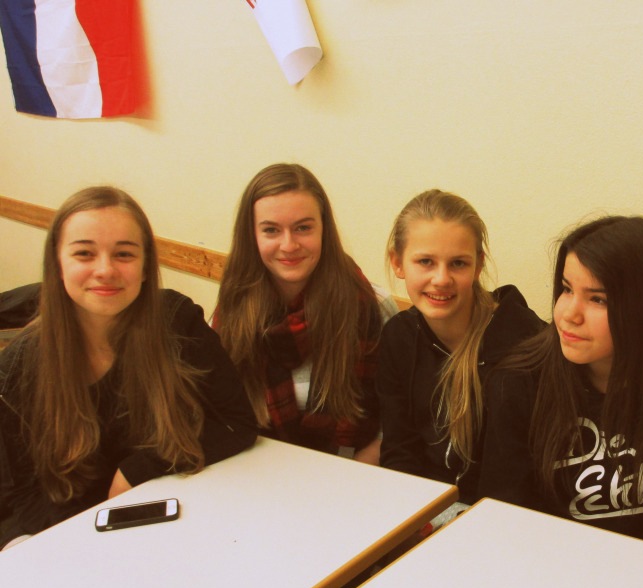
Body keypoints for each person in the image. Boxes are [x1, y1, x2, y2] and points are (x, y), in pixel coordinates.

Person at [0, 187, 257, 550]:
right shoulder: (17, 367)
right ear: (57, 264)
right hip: (69, 539)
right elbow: (22, 499)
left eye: (123, 254)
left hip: (171, 527)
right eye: (84, 253)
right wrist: (85, 544)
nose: (105, 270)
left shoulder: (177, 322)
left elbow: (236, 424)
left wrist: (137, 469)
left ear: (145, 267)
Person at [479, 216, 643, 558]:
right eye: (566, 289)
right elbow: (507, 519)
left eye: (598, 299)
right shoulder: (518, 383)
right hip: (549, 568)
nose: (569, 314)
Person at [377, 189, 543, 504]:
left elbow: (516, 482)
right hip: (425, 510)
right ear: (397, 262)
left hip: (501, 516)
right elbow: (399, 450)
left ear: (478, 266)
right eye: (425, 261)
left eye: (458, 263)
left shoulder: (524, 345)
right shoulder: (398, 336)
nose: (441, 279)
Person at [214, 163, 383, 463]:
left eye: (303, 228)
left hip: (346, 468)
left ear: (324, 229)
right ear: (251, 235)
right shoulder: (232, 310)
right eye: (271, 230)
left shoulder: (369, 306)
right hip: (255, 465)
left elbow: (389, 424)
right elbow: (216, 413)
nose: (289, 245)